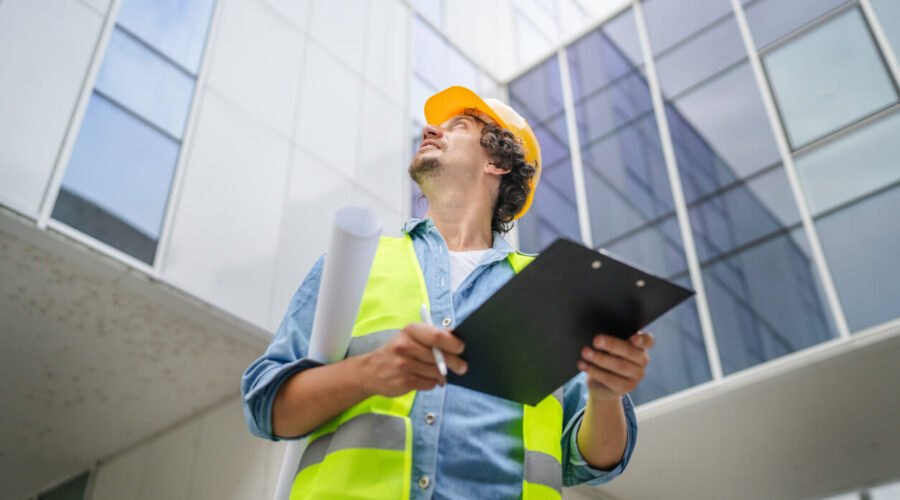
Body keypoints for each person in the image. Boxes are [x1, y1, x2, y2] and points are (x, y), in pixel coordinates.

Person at [242, 86, 656, 499]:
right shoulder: (358, 264)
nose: (431, 130)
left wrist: (606, 395)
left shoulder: (556, 291)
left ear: (497, 161)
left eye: (457, 126)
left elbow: (595, 463)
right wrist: (369, 373)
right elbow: (266, 407)